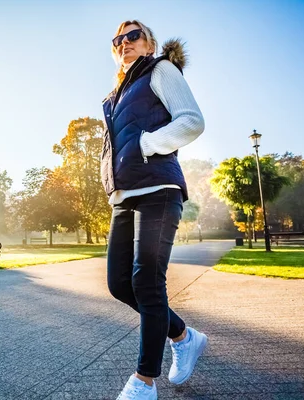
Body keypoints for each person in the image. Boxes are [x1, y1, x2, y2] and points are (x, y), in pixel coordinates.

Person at [101, 20, 207, 400]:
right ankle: (183, 336)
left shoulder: (160, 70)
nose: (124, 43)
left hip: (159, 188)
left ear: (148, 43)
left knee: (147, 280)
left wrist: (148, 143)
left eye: (133, 36)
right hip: (125, 196)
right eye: (118, 39)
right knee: (119, 284)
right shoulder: (113, 96)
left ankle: (144, 382)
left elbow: (192, 121)